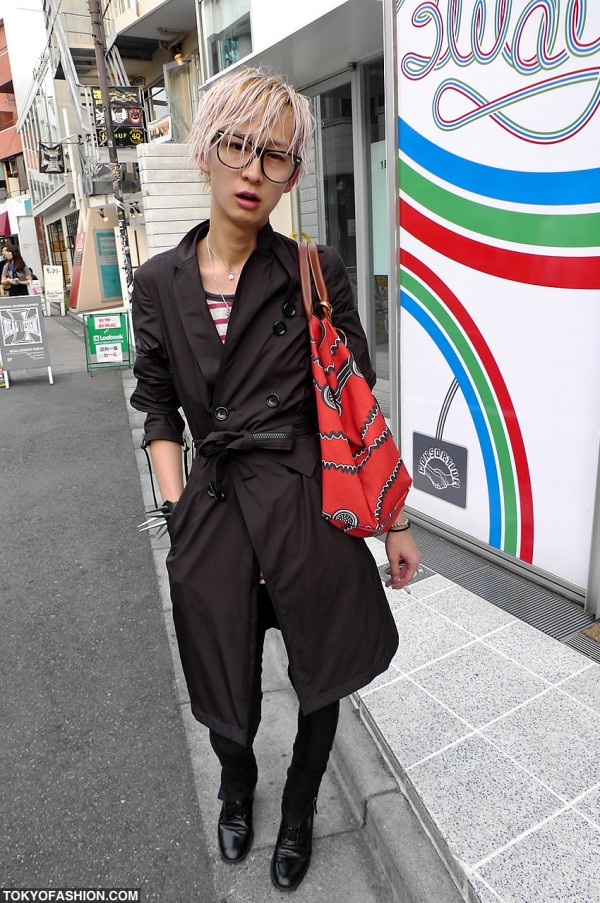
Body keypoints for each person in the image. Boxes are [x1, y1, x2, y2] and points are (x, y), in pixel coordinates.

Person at [130, 67, 420, 892]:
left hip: (305, 507)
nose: (254, 171)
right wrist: (176, 509)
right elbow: (156, 406)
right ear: (207, 150)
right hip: (214, 513)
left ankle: (297, 807)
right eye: (238, 147)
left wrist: (392, 520)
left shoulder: (313, 270)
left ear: (293, 173)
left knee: (320, 671)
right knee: (225, 680)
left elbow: (356, 402)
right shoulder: (157, 285)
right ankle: (236, 781)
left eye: (278, 157)